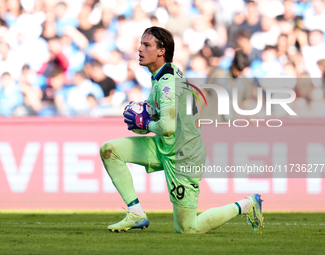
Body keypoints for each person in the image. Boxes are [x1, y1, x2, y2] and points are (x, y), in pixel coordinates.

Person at [100, 26, 264, 234]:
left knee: (188, 228)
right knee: (110, 150)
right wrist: (145, 112)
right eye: (141, 43)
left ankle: (247, 204)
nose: (139, 49)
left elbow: (167, 127)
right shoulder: (164, 73)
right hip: (164, 146)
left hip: (184, 157)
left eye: (146, 45)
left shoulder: (167, 82)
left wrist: (144, 123)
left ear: (161, 51)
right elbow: (164, 115)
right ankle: (136, 214)